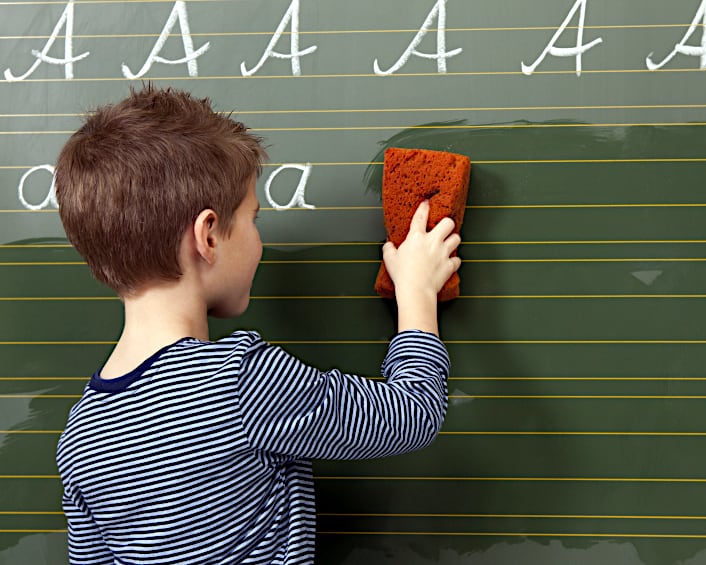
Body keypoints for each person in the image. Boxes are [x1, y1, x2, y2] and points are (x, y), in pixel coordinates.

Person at [53, 85, 461, 564]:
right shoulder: (239, 381)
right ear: (208, 236)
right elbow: (413, 414)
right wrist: (416, 292)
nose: (258, 238)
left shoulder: (80, 435)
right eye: (253, 218)